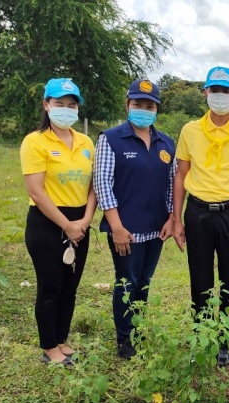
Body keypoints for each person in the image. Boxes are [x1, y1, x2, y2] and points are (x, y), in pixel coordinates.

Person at [172, 66, 229, 367]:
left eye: (226, 91)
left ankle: (226, 339)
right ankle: (200, 334)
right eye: (215, 90)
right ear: (205, 93)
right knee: (199, 277)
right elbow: (180, 175)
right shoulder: (190, 131)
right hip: (197, 212)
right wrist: (176, 219)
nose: (220, 96)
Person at [93, 79, 176, 360]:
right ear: (127, 105)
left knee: (144, 281)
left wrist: (172, 217)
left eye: (149, 106)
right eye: (138, 104)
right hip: (125, 230)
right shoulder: (111, 139)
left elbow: (172, 184)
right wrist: (116, 227)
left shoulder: (166, 143)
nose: (143, 110)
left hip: (156, 229)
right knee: (126, 282)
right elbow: (102, 183)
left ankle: (139, 330)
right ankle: (125, 339)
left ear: (157, 109)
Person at [20, 78, 96, 366]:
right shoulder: (35, 142)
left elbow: (93, 186)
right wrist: (67, 225)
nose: (66, 109)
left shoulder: (86, 142)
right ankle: (49, 347)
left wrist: (85, 220)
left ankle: (62, 340)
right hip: (47, 223)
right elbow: (36, 192)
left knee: (69, 287)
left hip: (80, 223)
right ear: (46, 105)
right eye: (59, 103)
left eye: (71, 105)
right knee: (50, 287)